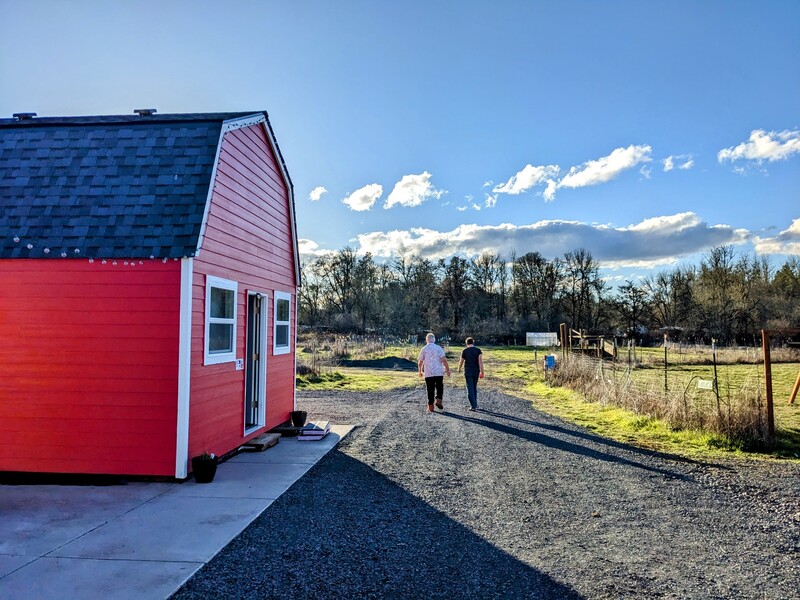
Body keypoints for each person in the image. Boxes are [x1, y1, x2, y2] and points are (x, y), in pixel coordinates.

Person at [417, 333, 451, 412]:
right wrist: (447, 370)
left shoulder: (424, 349)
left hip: (429, 373)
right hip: (438, 372)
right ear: (434, 339)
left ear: (426, 340)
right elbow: (444, 360)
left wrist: (420, 371)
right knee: (439, 387)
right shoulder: (438, 348)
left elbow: (420, 362)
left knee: (430, 389)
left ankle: (430, 406)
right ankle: (439, 400)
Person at [457, 337, 484, 411]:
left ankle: (473, 405)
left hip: (468, 371)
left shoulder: (465, 351)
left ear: (466, 343)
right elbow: (480, 362)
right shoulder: (478, 350)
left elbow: (461, 361)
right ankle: (475, 404)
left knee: (470, 388)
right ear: (473, 342)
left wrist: (459, 368)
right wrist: (482, 372)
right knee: (474, 387)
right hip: (476, 371)